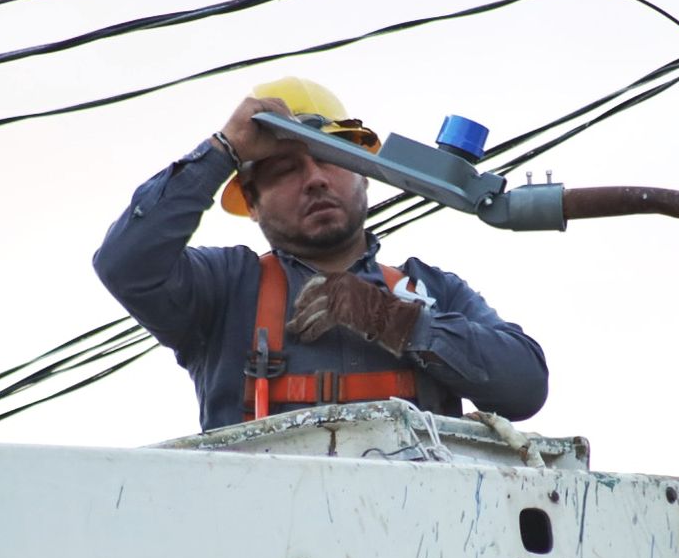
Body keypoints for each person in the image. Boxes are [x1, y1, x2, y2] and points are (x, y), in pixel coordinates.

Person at [93, 77, 548, 432]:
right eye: (287, 169)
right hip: (266, 541)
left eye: (331, 159)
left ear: (365, 176)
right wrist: (224, 150)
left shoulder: (429, 290)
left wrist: (392, 319)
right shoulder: (225, 289)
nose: (314, 179)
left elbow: (525, 386)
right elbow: (126, 264)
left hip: (416, 541)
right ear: (251, 203)